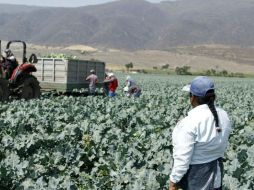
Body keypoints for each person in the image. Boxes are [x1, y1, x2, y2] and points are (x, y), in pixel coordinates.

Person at [169, 76, 232, 190]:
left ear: (192, 97)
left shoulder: (189, 122)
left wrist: (173, 182)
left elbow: (182, 160)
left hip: (195, 178)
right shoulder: (224, 115)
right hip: (216, 173)